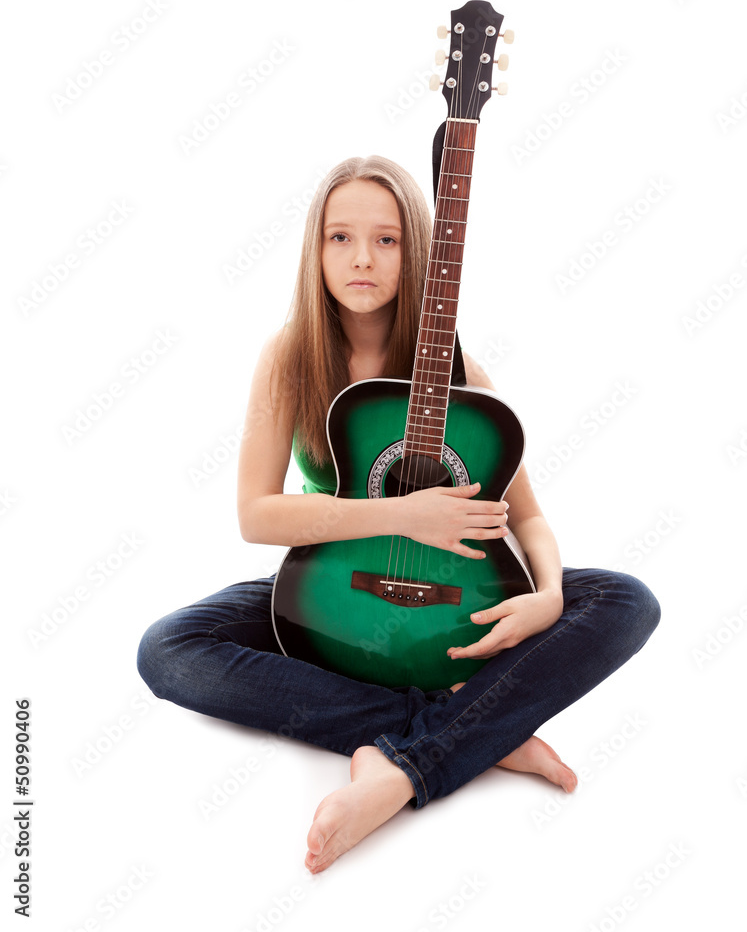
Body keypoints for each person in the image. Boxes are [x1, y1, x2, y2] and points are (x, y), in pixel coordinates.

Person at [136, 155, 661, 875]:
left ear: (417, 250)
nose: (361, 258)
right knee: (167, 650)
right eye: (339, 237)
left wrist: (545, 598)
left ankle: (409, 757)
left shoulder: (458, 371)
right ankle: (472, 732)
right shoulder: (290, 358)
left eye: (386, 240)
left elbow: (529, 518)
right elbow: (256, 516)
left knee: (626, 600)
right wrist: (399, 516)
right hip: (332, 588)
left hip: (453, 597)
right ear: (314, 250)